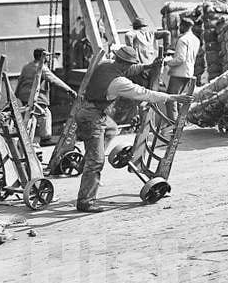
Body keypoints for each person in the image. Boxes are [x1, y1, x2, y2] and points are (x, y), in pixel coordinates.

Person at [75, 45, 191, 213]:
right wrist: (172, 97)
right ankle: (85, 201)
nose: (130, 68)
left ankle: (88, 160)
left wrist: (149, 66)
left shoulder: (106, 64)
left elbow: (132, 70)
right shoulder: (118, 83)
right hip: (91, 117)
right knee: (97, 161)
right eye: (129, 65)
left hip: (90, 110)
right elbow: (144, 93)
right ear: (124, 64)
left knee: (111, 130)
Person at [15, 48, 76, 145]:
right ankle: (45, 139)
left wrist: (16, 94)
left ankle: (26, 139)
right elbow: (54, 80)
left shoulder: (26, 67)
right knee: (45, 114)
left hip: (24, 96)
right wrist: (70, 90)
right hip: (36, 97)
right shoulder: (42, 67)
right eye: (47, 55)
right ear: (42, 56)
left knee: (31, 116)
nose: (48, 57)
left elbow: (20, 80)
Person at [163, 17, 200, 121]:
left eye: (180, 26)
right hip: (189, 72)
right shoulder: (196, 40)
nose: (179, 28)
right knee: (181, 99)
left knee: (171, 98)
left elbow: (180, 59)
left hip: (179, 73)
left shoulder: (182, 40)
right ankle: (181, 121)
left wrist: (167, 62)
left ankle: (173, 122)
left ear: (184, 26)